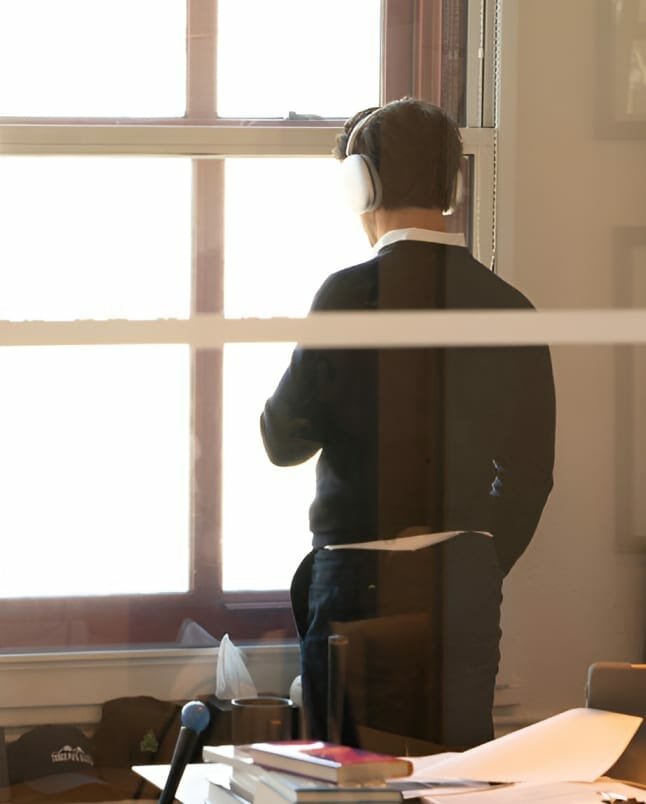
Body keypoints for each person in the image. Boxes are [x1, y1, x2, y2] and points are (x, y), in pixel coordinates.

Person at [260, 98, 556, 750]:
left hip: (353, 578)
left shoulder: (342, 297)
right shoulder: (513, 310)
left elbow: (282, 443)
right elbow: (531, 476)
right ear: (452, 185)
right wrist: (470, 560)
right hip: (464, 581)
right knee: (458, 774)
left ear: (361, 185)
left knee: (344, 776)